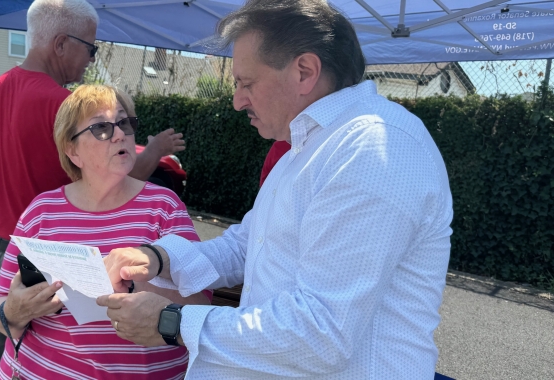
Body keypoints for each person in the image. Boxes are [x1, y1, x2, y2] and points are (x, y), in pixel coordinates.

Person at [98, 0, 454, 379]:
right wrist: (158, 258)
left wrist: (172, 321)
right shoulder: (308, 148)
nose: (237, 101)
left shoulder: (372, 148)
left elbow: (320, 333)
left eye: (246, 83)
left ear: (304, 71)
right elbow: (247, 245)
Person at [0, 0, 186, 376]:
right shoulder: (68, 108)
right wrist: (156, 149)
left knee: (9, 352)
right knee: (77, 349)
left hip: (4, 250)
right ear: (61, 43)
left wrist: (8, 161)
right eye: (90, 48)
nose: (91, 60)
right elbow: (118, 178)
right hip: (64, 263)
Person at [0, 84, 211, 379]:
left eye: (124, 123)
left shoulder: (164, 207)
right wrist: (17, 309)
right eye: (101, 128)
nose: (120, 134)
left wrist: (137, 286)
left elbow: (202, 302)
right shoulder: (42, 211)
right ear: (72, 150)